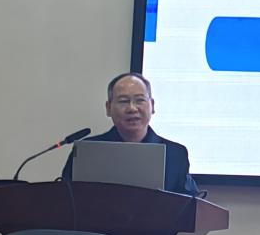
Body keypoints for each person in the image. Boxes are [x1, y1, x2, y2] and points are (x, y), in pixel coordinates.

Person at [61, 72, 198, 196]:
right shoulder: (87, 151)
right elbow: (65, 199)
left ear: (152, 105)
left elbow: (190, 205)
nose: (132, 108)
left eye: (140, 100)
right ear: (108, 108)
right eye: (123, 101)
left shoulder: (175, 154)